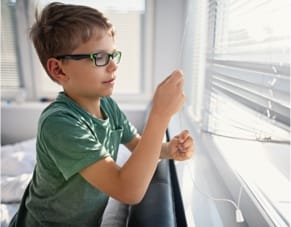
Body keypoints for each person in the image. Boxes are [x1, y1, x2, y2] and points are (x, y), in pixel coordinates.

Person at [9, 2, 194, 227]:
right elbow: (128, 190)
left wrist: (168, 149)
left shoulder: (107, 105)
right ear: (59, 69)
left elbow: (137, 144)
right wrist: (159, 115)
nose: (114, 66)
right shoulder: (59, 123)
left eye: (113, 55)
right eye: (99, 57)